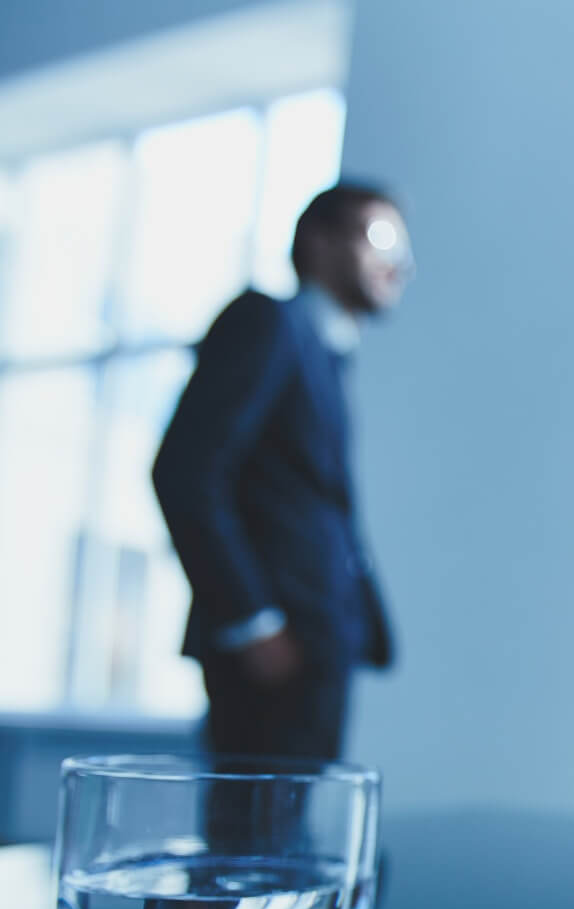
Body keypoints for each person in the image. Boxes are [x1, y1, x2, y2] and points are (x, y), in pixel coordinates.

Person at [152, 181, 413, 760]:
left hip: (320, 640)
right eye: (381, 238)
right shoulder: (268, 323)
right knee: (252, 839)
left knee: (292, 837)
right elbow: (186, 473)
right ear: (318, 241)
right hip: (275, 647)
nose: (398, 262)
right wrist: (253, 620)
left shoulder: (326, 355)